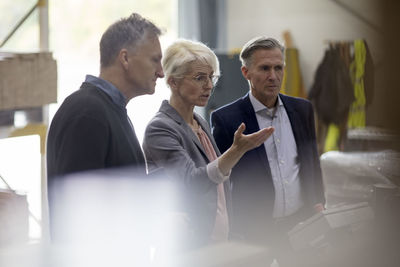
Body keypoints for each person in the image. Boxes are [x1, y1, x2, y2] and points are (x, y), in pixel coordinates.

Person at [142, 39, 274, 249]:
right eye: (199, 78)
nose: (209, 85)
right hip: (189, 246)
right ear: (173, 82)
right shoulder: (160, 128)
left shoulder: (199, 122)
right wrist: (235, 151)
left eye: (211, 77)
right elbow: (193, 182)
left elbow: (219, 187)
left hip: (217, 242)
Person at [46, 13, 164, 241]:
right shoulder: (87, 112)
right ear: (125, 58)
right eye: (154, 60)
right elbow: (81, 214)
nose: (161, 72)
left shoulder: (110, 110)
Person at [210, 36, 325, 263]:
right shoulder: (226, 119)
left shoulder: (302, 109)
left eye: (278, 67)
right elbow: (220, 181)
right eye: (264, 68)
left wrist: (319, 204)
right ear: (246, 72)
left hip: (300, 224)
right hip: (254, 231)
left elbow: (312, 162)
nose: (273, 76)